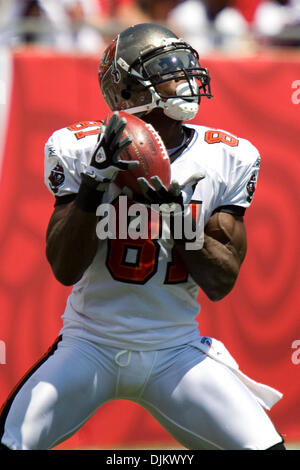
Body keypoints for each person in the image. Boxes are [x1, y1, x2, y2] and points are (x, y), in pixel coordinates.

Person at [0, 23, 286, 451]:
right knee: (11, 442)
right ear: (126, 94)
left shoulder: (230, 156)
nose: (187, 76)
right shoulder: (78, 149)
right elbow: (63, 268)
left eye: (189, 63)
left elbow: (221, 283)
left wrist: (176, 220)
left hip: (175, 349)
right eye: (168, 67)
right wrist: (97, 182)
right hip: (89, 343)